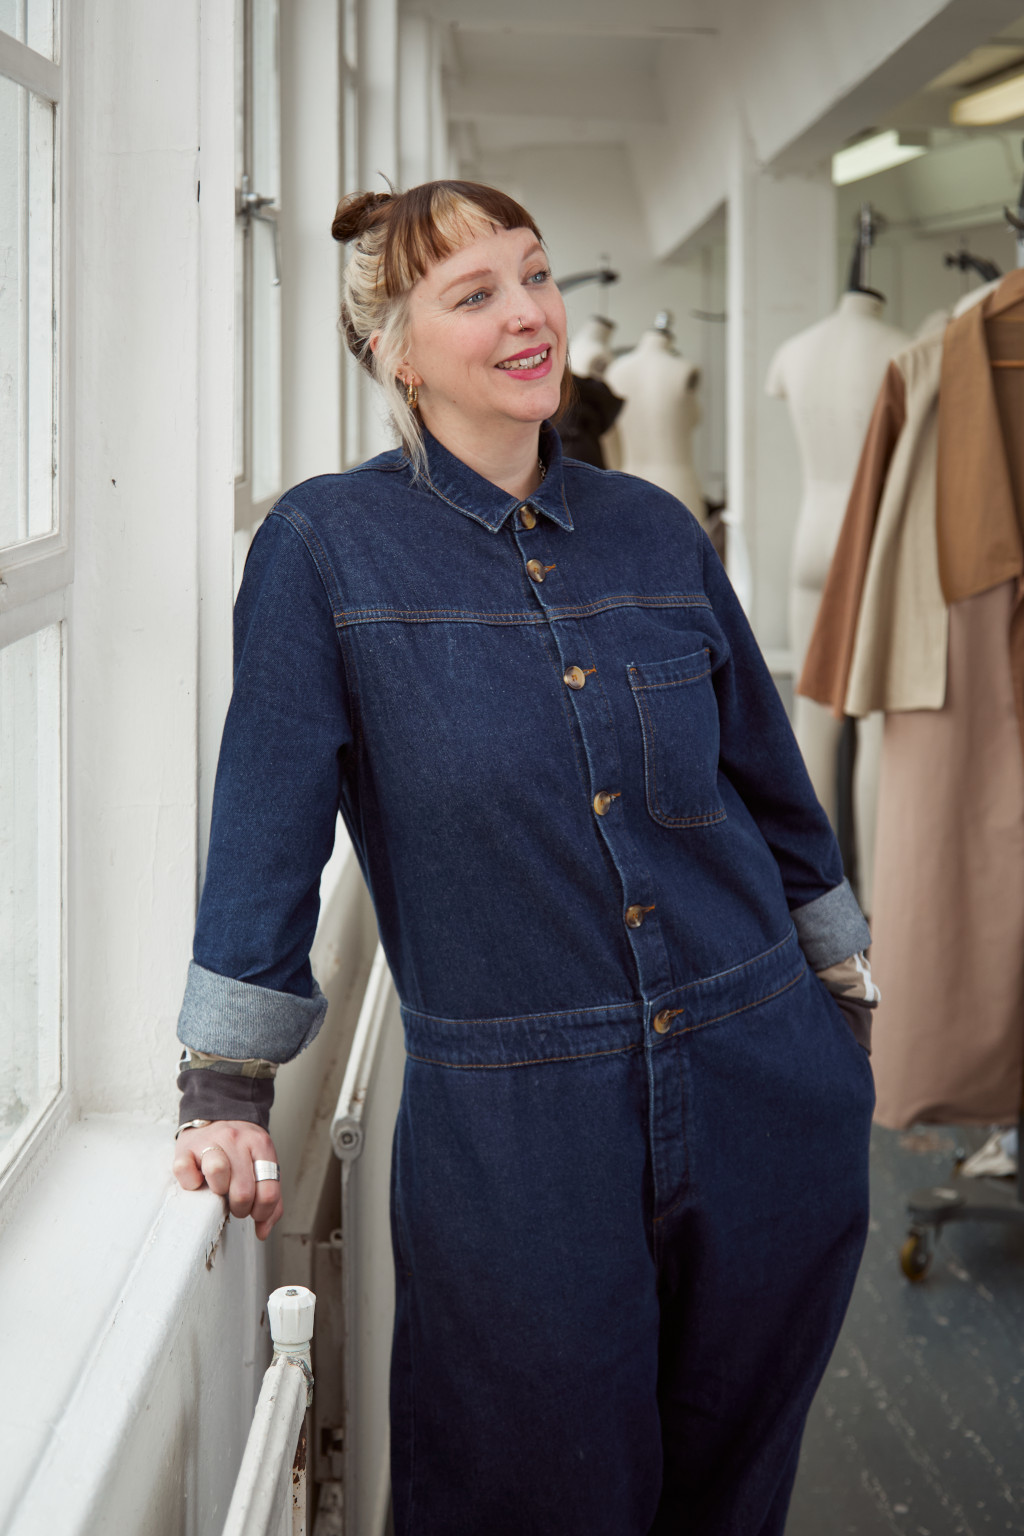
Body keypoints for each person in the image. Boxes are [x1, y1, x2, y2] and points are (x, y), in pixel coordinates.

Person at [172, 180, 877, 1536]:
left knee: (732, 1500)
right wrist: (225, 1085)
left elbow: (772, 790)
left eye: (537, 275)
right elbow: (267, 819)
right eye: (476, 293)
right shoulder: (324, 550)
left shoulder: (656, 530)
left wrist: (840, 1008)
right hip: (517, 1138)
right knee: (527, 1496)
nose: (530, 314)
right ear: (395, 350)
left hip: (760, 1075)